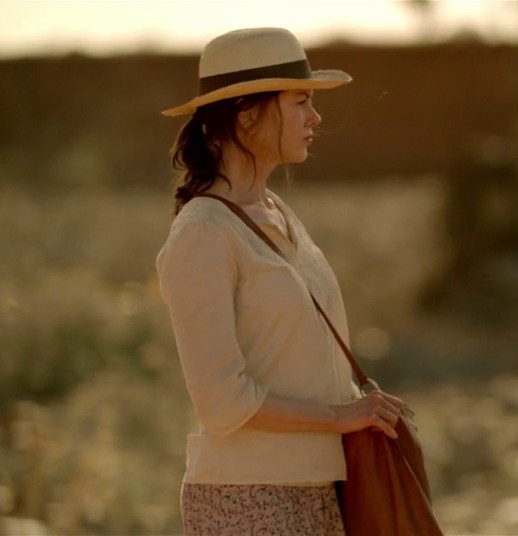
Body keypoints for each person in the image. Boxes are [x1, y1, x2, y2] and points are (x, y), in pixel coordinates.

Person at [155, 27, 407, 535]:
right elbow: (221, 402)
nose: (315, 117)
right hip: (246, 498)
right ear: (246, 113)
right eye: (299, 101)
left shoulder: (276, 212)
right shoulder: (203, 232)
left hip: (318, 487)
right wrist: (340, 416)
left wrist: (360, 412)